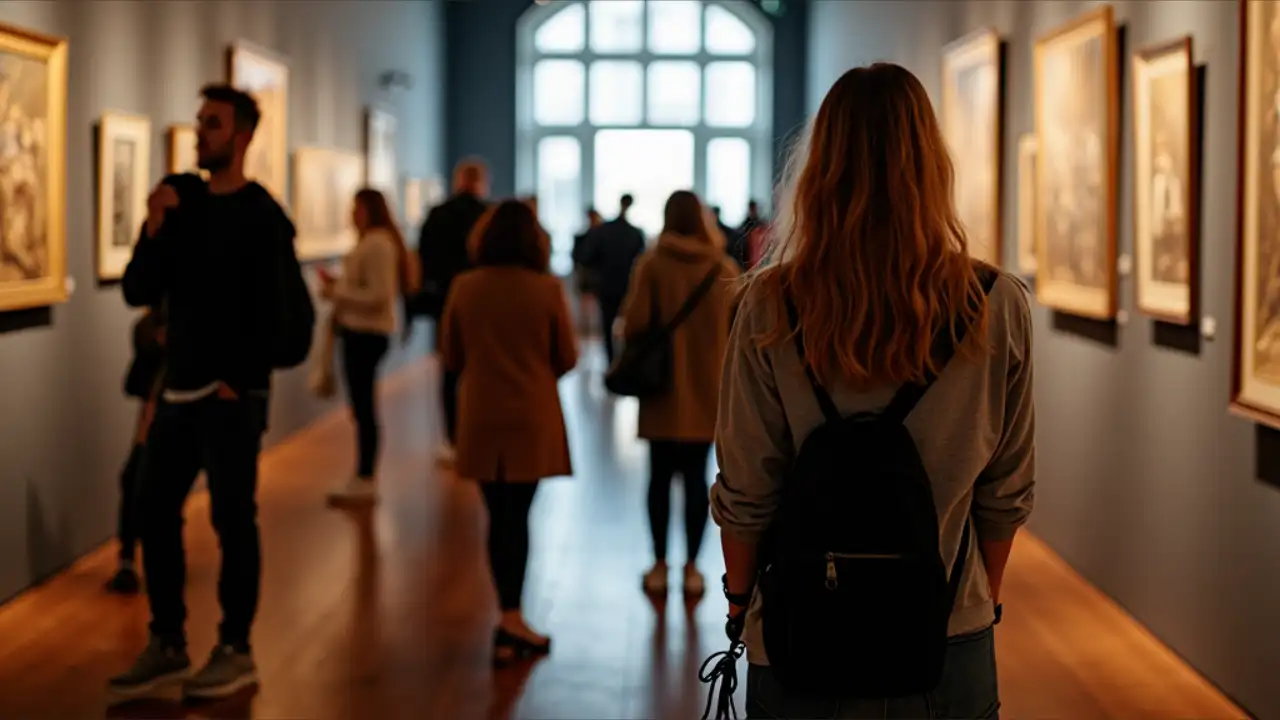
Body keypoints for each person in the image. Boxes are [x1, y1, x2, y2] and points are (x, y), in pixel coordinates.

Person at [710, 63, 1035, 718]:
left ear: (819, 170)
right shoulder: (996, 303)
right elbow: (1006, 491)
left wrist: (740, 604)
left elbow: (746, 487)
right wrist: (978, 597)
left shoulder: (769, 304)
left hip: (802, 631)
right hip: (949, 633)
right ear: (932, 166)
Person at [109, 83, 312, 700]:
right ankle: (168, 641)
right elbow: (139, 290)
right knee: (151, 508)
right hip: (178, 392)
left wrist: (240, 378)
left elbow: (289, 323)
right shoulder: (186, 201)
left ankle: (235, 648)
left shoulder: (262, 216)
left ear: (244, 135)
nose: (200, 133)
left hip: (230, 398)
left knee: (232, 520)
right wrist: (152, 224)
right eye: (199, 123)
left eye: (213, 124)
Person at [440, 200, 577, 665]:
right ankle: (512, 621)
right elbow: (568, 357)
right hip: (531, 416)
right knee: (517, 518)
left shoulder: (465, 286)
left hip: (481, 414)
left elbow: (451, 357)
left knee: (497, 517)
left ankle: (508, 615)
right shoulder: (547, 289)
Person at [618, 191, 740, 598]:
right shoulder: (723, 268)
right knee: (696, 481)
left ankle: (657, 564)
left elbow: (634, 324)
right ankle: (691, 568)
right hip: (708, 393)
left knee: (657, 479)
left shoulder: (652, 265)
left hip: (661, 392)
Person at [321, 189, 406, 503]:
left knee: (364, 408)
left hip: (366, 334)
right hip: (360, 333)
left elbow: (378, 296)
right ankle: (363, 474)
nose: (351, 214)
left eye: (356, 208)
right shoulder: (374, 243)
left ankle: (365, 475)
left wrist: (338, 294)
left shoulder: (377, 245)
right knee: (361, 407)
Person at [417, 158, 489, 467]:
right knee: (481, 371)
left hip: (446, 303)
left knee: (449, 371)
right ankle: (478, 436)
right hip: (484, 305)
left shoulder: (438, 215)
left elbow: (424, 258)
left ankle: (453, 439)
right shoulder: (488, 216)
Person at [106, 306, 168, 594]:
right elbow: (136, 384)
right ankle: (129, 561)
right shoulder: (147, 327)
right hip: (154, 418)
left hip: (188, 416)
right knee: (134, 481)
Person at [579, 193, 645, 366]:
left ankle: (611, 363)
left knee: (608, 325)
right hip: (629, 287)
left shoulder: (603, 231)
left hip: (607, 285)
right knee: (628, 324)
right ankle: (624, 361)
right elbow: (641, 264)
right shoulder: (635, 233)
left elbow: (587, 257)